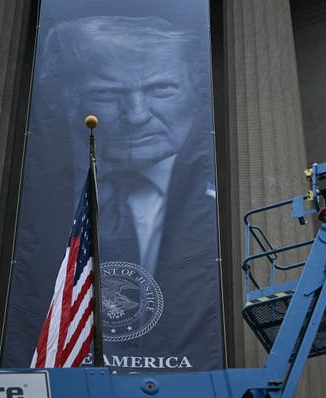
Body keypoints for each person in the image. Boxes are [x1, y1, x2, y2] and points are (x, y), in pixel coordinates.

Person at [31, 16, 222, 371]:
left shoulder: (214, 202)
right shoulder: (24, 210)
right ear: (67, 101)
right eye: (106, 93)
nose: (136, 116)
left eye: (162, 89)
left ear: (197, 96)